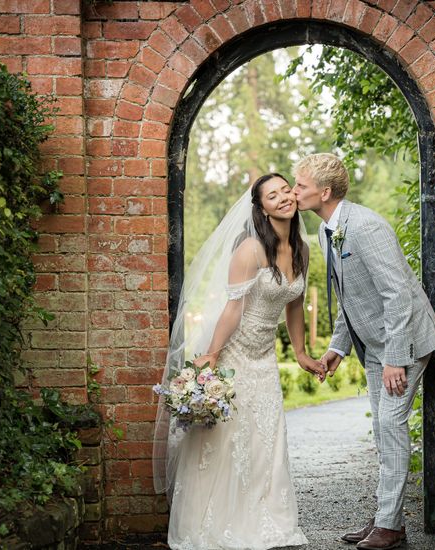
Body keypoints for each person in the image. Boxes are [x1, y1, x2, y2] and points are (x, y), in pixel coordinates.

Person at [153, 173, 321, 550]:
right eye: (272, 195)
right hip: (237, 353)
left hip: (265, 357)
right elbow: (232, 309)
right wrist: (212, 354)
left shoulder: (301, 250)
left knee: (268, 438)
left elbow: (294, 304)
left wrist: (300, 352)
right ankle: (214, 523)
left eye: (285, 191)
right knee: (230, 440)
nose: (282, 199)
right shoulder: (250, 249)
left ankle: (267, 519)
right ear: (261, 207)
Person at [292, 153, 435, 550]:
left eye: (300, 185)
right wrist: (337, 349)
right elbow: (350, 297)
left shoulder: (367, 227)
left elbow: (397, 297)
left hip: (404, 342)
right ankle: (385, 518)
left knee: (391, 427)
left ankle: (390, 528)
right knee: (382, 431)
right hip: (376, 344)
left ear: (324, 192)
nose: (294, 191)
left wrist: (396, 357)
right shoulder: (329, 229)